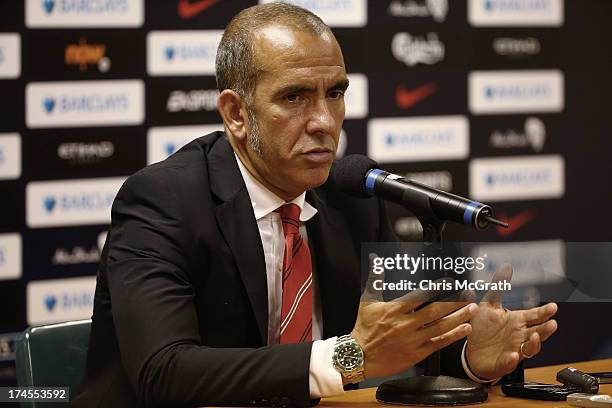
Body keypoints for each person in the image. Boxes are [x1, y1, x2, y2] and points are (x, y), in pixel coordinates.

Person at [73, 4, 558, 407]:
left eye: (336, 93)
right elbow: (164, 373)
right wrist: (349, 357)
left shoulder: (352, 198)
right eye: (296, 97)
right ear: (236, 113)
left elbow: (394, 340)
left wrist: (473, 356)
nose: (325, 121)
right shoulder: (164, 201)